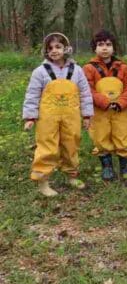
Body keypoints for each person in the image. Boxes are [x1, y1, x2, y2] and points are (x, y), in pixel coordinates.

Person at [23, 32, 93, 196]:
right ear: (46, 52)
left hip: (71, 117)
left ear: (66, 49)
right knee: (47, 146)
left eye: (58, 47)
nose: (54, 50)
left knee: (71, 144)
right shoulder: (40, 72)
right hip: (48, 118)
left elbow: (85, 93)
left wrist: (87, 115)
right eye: (50, 48)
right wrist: (30, 117)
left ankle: (72, 175)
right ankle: (43, 180)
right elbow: (32, 94)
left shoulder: (77, 70)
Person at [84, 30, 127, 181]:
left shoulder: (123, 67)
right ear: (95, 48)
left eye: (108, 44)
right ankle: (107, 166)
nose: (104, 48)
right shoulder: (88, 68)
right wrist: (105, 102)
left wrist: (121, 103)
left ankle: (125, 165)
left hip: (120, 110)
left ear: (114, 48)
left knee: (123, 135)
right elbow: (87, 89)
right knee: (101, 136)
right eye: (100, 45)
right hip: (100, 111)